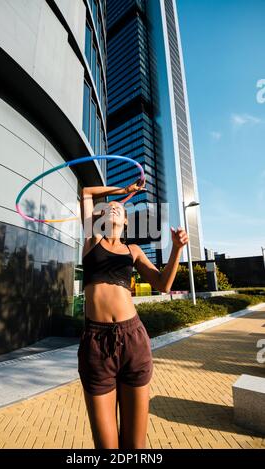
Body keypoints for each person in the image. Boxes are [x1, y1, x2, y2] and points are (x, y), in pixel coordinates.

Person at [78, 177, 189, 449]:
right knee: (107, 447)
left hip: (134, 340)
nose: (114, 208)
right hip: (96, 343)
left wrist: (176, 248)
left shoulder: (134, 251)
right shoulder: (93, 240)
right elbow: (87, 191)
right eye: (109, 207)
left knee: (135, 447)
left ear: (126, 221)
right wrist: (124, 191)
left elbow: (163, 284)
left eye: (120, 208)